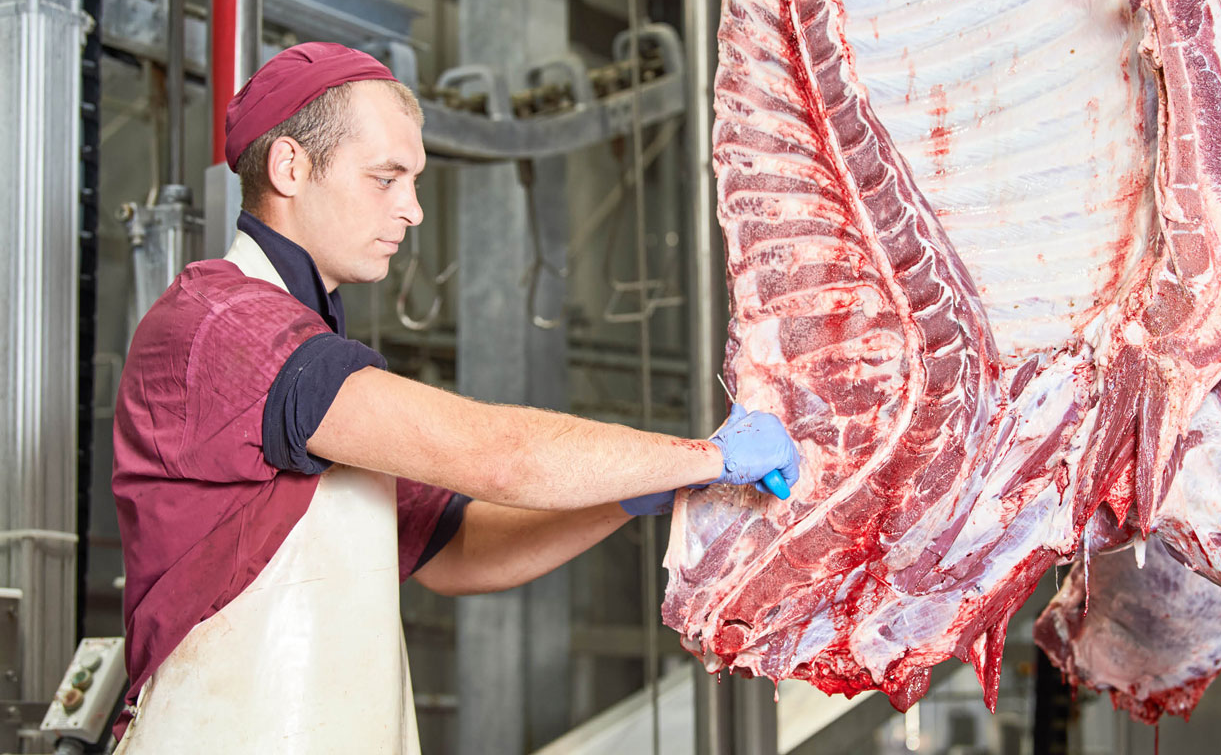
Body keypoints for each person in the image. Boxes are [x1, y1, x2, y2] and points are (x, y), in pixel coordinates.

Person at [109, 42, 802, 752]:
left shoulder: (318, 372)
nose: (411, 210)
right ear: (291, 167)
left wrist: (626, 497)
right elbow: (496, 457)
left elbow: (460, 550)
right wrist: (699, 457)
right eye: (386, 178)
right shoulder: (224, 325)